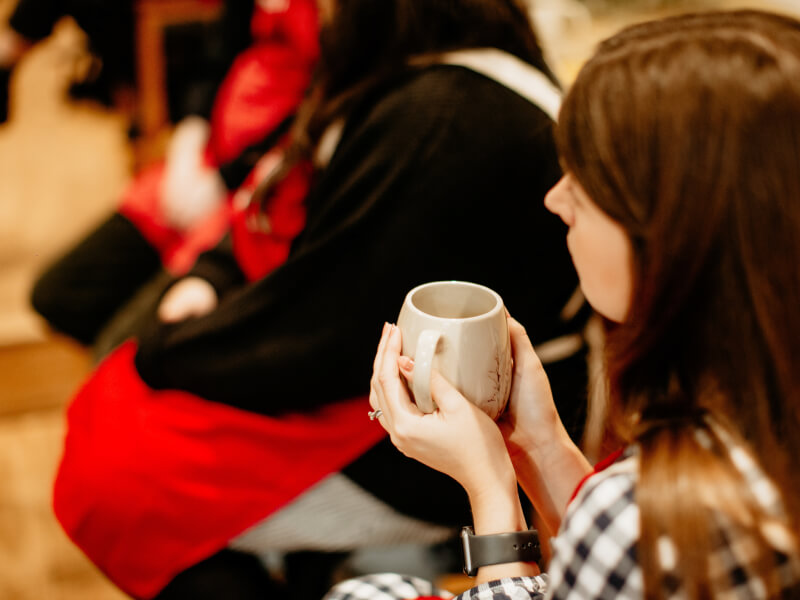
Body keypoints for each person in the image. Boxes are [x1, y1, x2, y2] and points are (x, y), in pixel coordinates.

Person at [50, 1, 591, 598]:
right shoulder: (413, 79)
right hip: (345, 349)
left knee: (120, 478)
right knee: (116, 404)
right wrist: (208, 282)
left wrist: (172, 350)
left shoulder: (446, 115)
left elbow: (326, 332)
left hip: (435, 409)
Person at [331, 9, 800, 600]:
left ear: (677, 229)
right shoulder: (758, 416)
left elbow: (622, 543)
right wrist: (540, 444)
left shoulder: (648, 519)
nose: (557, 199)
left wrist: (492, 494)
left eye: (586, 179)